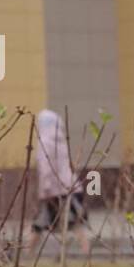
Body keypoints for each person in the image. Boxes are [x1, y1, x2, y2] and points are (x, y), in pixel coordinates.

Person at [30, 109, 90, 255]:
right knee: (74, 222)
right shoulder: (60, 141)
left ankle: (28, 253)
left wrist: (45, 188)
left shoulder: (44, 142)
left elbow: (46, 168)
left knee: (41, 222)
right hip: (71, 187)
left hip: (54, 190)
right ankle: (85, 251)